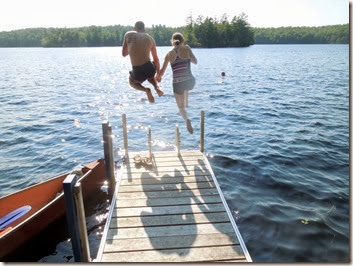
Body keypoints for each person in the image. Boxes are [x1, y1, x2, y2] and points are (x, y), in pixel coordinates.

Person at [157, 32, 197, 134]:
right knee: (186, 86)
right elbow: (195, 61)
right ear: (182, 41)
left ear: (172, 41)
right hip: (189, 81)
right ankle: (186, 101)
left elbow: (161, 72)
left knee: (180, 108)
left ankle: (186, 119)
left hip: (177, 84)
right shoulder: (187, 48)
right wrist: (187, 57)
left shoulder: (169, 54)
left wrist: (157, 77)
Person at [122, 21, 164, 103]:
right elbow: (156, 59)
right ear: (144, 28)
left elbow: (124, 54)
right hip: (149, 68)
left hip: (137, 71)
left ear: (135, 29)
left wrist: (131, 47)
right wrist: (158, 74)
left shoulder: (128, 35)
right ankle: (157, 88)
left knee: (132, 82)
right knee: (150, 74)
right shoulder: (150, 38)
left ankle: (146, 90)